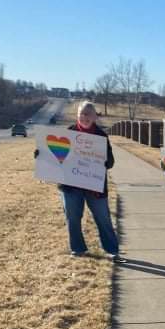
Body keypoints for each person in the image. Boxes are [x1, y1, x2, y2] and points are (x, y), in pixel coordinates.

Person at [38, 100, 121, 260]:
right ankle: (77, 248)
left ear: (95, 117)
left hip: (94, 185)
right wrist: (41, 155)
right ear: (77, 115)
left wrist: (103, 159)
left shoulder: (101, 136)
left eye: (89, 114)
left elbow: (110, 163)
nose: (85, 117)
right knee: (73, 217)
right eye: (82, 114)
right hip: (70, 185)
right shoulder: (68, 133)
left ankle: (112, 249)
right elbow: (56, 157)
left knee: (103, 217)